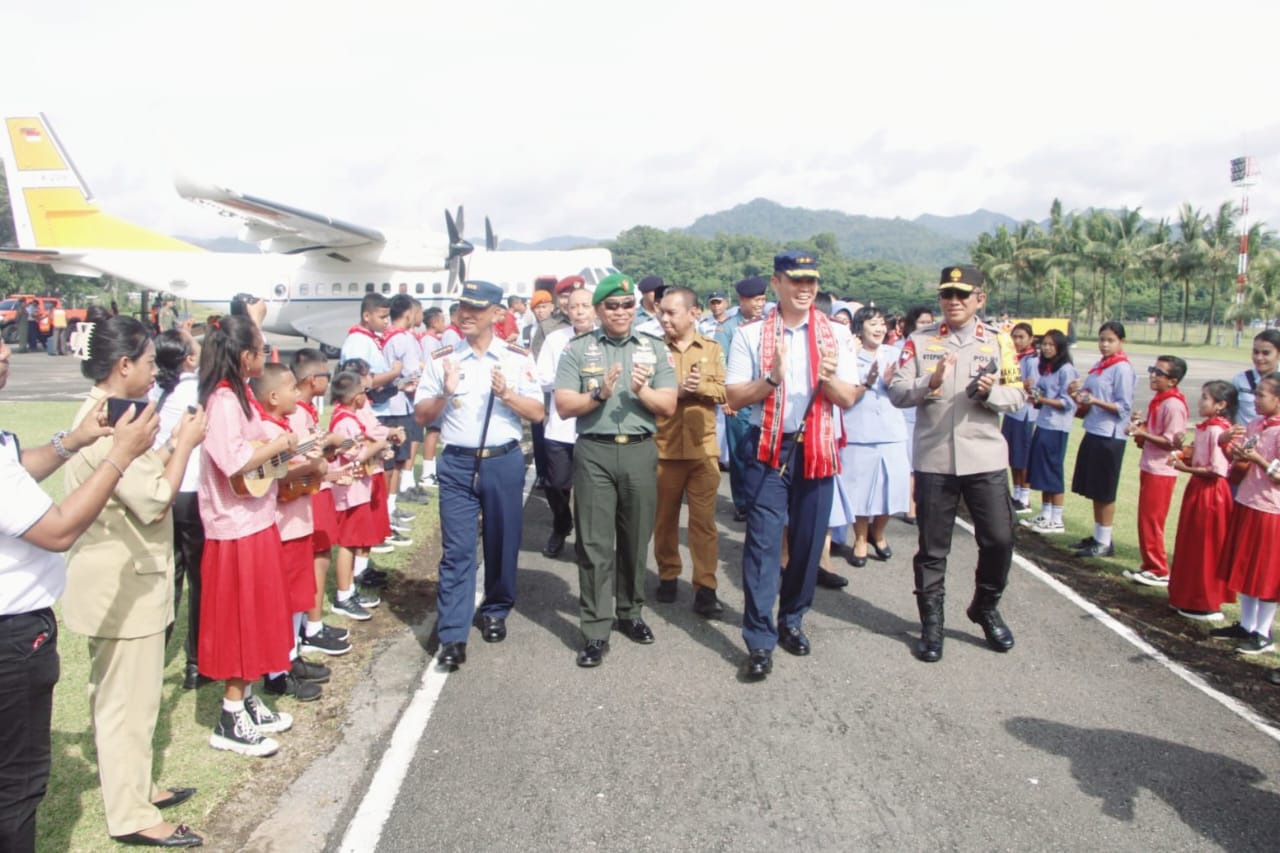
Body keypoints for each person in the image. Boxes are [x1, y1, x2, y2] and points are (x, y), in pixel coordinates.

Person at [0, 337, 164, 853]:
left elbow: (17, 463)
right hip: (12, 635)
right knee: (17, 785)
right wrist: (118, 452)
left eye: (8, 359)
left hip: (21, 628)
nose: (6, 369)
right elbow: (58, 531)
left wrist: (72, 442)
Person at [62, 312, 208, 845]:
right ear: (123, 365)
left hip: (125, 579)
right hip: (124, 586)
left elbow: (143, 476)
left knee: (126, 700)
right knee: (127, 704)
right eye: (148, 362)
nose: (155, 372)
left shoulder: (111, 413)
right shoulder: (108, 423)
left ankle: (137, 788)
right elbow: (152, 500)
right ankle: (133, 816)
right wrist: (186, 444)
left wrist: (170, 446)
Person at [725, 251, 858, 680]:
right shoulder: (752, 334)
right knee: (763, 546)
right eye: (796, 281)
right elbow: (734, 397)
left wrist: (829, 379)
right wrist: (773, 378)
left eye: (812, 282)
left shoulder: (835, 334)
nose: (805, 290)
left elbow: (848, 398)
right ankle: (760, 639)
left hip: (818, 448)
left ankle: (793, 618)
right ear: (776, 283)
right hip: (770, 450)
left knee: (806, 543)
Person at [888, 266, 1025, 663]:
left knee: (999, 539)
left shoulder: (999, 341)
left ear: (980, 298)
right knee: (932, 548)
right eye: (948, 294)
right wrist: (928, 383)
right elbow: (896, 391)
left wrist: (991, 394)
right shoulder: (919, 341)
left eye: (963, 294)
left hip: (984, 456)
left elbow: (1017, 395)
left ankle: (985, 606)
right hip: (935, 458)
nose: (954, 301)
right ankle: (932, 625)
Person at [413, 281, 544, 669]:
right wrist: (446, 393)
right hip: (457, 463)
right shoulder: (442, 359)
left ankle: (496, 608)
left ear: (496, 314)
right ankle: (453, 634)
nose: (466, 315)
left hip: (502, 461)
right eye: (461, 308)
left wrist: (508, 396)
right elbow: (421, 416)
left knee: (502, 543)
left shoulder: (516, 358)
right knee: (457, 550)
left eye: (476, 308)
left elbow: (537, 413)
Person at [554, 273, 677, 668]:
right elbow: (563, 405)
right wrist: (599, 394)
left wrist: (641, 391)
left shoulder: (654, 348)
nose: (621, 312)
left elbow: (669, 405)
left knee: (636, 538)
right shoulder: (578, 349)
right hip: (595, 451)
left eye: (628, 305)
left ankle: (630, 612)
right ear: (599, 310)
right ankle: (594, 628)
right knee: (593, 544)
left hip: (640, 450)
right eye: (612, 306)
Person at [197, 314, 299, 757]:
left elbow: (259, 457)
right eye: (260, 349)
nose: (266, 355)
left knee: (257, 614)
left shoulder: (238, 398)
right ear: (245, 357)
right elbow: (238, 462)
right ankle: (230, 713)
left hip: (255, 519)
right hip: (235, 528)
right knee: (240, 618)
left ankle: (248, 696)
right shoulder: (222, 402)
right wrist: (282, 445)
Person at [250, 364, 332, 702]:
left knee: (298, 595)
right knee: (281, 600)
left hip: (297, 523)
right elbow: (274, 476)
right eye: (290, 389)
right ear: (272, 397)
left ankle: (291, 655)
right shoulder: (266, 433)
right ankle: (276, 672)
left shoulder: (282, 427)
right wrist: (313, 465)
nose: (297, 394)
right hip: (281, 527)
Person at [653, 286, 727, 617]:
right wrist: (678, 391)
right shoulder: (653, 349)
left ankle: (705, 586)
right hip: (664, 448)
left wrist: (701, 388)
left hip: (702, 450)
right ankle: (669, 574)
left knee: (703, 523)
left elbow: (725, 389)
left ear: (693, 313)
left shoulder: (711, 349)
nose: (663, 318)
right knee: (664, 520)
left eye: (671, 312)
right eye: (661, 312)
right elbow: (643, 390)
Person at [151, 329, 208, 690]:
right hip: (192, 491)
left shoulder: (156, 390)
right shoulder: (197, 392)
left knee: (169, 578)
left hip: (162, 491)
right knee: (200, 582)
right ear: (189, 358)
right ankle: (196, 661)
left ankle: (154, 654)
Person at [290, 349, 355, 656]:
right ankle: (310, 626)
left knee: (320, 556)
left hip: (318, 486)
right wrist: (327, 444)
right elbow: (300, 455)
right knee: (316, 559)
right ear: (313, 379)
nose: (329, 383)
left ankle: (311, 622)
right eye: (326, 376)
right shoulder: (298, 412)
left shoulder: (306, 410)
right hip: (311, 491)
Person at [836, 305, 909, 566]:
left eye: (881, 324)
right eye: (872, 324)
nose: (879, 329)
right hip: (858, 431)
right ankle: (859, 538)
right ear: (859, 329)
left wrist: (892, 383)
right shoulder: (849, 355)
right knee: (859, 490)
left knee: (892, 487)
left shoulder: (895, 354)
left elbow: (907, 387)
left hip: (891, 431)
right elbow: (842, 392)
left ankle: (878, 532)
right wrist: (866, 383)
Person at [1214, 372, 1280, 654]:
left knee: (1266, 572)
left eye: (1262, 395)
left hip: (1270, 508)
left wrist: (1259, 460)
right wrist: (1228, 445)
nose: (1255, 399)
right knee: (1246, 566)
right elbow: (1238, 461)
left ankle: (1263, 632)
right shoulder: (1255, 424)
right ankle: (1247, 623)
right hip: (1247, 500)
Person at [1168, 381, 1237, 621]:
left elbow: (1217, 469)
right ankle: (1189, 595)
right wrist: (1183, 451)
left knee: (1205, 546)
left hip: (1211, 493)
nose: (1201, 401)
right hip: (1200, 487)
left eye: (1206, 398)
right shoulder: (1207, 427)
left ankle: (1205, 600)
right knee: (1192, 544)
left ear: (1220, 405)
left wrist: (1184, 468)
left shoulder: (1218, 430)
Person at [535, 285, 595, 558]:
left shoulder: (605, 339)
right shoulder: (556, 340)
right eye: (574, 307)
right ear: (566, 310)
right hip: (561, 425)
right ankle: (561, 524)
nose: (579, 311)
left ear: (595, 309)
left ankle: (588, 539)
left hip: (594, 427)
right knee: (556, 484)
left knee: (590, 490)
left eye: (585, 306)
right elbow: (544, 377)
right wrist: (574, 384)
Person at [1068, 322, 1136, 557]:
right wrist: (1076, 394)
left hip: (1111, 434)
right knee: (1094, 488)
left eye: (1110, 340)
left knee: (1105, 490)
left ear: (1121, 342)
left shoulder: (1122, 369)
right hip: (1094, 430)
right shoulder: (1101, 365)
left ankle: (1105, 541)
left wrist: (1094, 401)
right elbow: (1087, 394)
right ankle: (1098, 536)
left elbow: (1123, 407)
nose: (1105, 345)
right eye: (1101, 340)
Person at [327, 371, 390, 620]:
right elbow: (358, 453)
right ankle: (343, 595)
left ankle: (350, 589)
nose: (366, 396)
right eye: (363, 392)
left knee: (355, 541)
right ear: (355, 396)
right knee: (348, 542)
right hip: (348, 491)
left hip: (357, 488)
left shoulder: (350, 418)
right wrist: (379, 444)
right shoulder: (345, 422)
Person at [1122, 356, 1190, 587]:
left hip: (1162, 470)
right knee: (1145, 518)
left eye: (1159, 373)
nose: (1153, 375)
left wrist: (1142, 433)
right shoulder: (1159, 400)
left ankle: (1159, 567)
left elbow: (1172, 441)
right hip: (1150, 465)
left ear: (1172, 380)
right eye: (1152, 370)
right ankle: (1149, 565)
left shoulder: (1173, 404)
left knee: (1152, 520)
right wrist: (1139, 427)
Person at [721, 276, 770, 522]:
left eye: (763, 299)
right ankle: (741, 501)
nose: (760, 304)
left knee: (761, 455)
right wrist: (725, 400)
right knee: (740, 453)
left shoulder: (770, 324)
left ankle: (759, 499)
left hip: (763, 398)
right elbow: (720, 366)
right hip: (738, 401)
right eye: (755, 300)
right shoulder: (729, 328)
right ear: (741, 300)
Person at [1019, 329, 1077, 535]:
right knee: (1041, 469)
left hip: (1057, 426)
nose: (1046, 348)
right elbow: (1042, 393)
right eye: (1044, 344)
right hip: (1044, 422)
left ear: (1060, 347)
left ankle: (1057, 518)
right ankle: (1045, 513)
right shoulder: (1046, 368)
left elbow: (1067, 402)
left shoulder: (1065, 370)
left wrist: (1042, 400)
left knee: (1053, 470)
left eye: (1051, 345)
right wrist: (1034, 395)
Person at [897, 305, 935, 525]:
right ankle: (911, 508)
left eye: (930, 322)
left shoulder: (938, 347)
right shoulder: (901, 348)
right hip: (907, 412)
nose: (927, 326)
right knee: (911, 463)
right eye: (922, 322)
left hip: (930, 410)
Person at [1002, 323, 1037, 513]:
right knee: (1013, 455)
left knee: (1022, 456)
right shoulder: (1014, 358)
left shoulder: (1031, 360)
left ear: (1031, 339)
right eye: (1014, 337)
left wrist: (1017, 384)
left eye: (1021, 337)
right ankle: (1016, 494)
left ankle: (1024, 497)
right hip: (1012, 411)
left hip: (1025, 413)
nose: (1017, 341)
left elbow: (1031, 386)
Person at [1232, 329, 1280, 425]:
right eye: (1255, 352)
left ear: (1278, 354)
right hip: (1246, 437)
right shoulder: (1240, 380)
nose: (1259, 357)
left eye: (1266, 353)